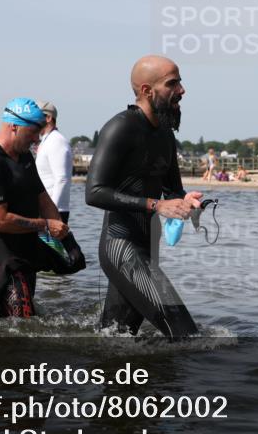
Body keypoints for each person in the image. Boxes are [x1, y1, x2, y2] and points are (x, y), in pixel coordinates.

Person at [86, 55, 203, 341]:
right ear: (146, 90)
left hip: (147, 246)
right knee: (185, 334)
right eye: (172, 84)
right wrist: (156, 205)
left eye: (180, 82)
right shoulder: (120, 127)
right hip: (120, 246)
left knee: (115, 338)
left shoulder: (165, 133)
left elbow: (172, 189)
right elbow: (94, 191)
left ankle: (118, 384)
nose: (182, 90)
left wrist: (187, 201)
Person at [0, 97, 69, 317]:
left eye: (39, 132)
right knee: (21, 319)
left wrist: (62, 236)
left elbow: (42, 197)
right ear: (14, 126)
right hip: (2, 254)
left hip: (26, 251)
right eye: (33, 132)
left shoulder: (25, 157)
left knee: (25, 319)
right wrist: (45, 224)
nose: (36, 139)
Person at [34, 100, 73, 224]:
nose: (33, 122)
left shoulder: (56, 141)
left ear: (48, 118)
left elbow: (62, 179)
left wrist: (51, 213)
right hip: (46, 210)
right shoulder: (47, 140)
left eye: (36, 117)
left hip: (54, 212)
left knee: (53, 244)